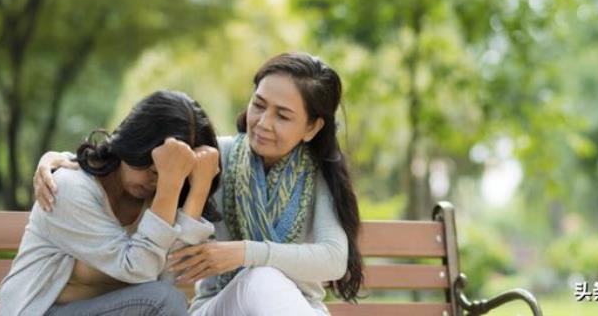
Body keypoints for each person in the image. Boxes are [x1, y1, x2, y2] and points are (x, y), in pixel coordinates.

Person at [36, 53, 363, 315]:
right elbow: (134, 150)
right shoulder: (216, 156)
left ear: (311, 128)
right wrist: (56, 158)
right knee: (260, 279)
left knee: (266, 280)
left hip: (296, 308)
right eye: (259, 105)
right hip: (221, 306)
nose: (263, 123)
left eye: (283, 115)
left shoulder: (317, 175)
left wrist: (243, 253)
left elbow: (333, 259)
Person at [2, 90, 222, 316]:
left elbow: (168, 274)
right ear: (134, 143)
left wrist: (198, 190)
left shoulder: (157, 199)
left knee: (165, 297)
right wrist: (169, 185)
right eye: (154, 170)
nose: (155, 182)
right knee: (164, 300)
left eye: (173, 177)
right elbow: (140, 270)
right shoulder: (68, 188)